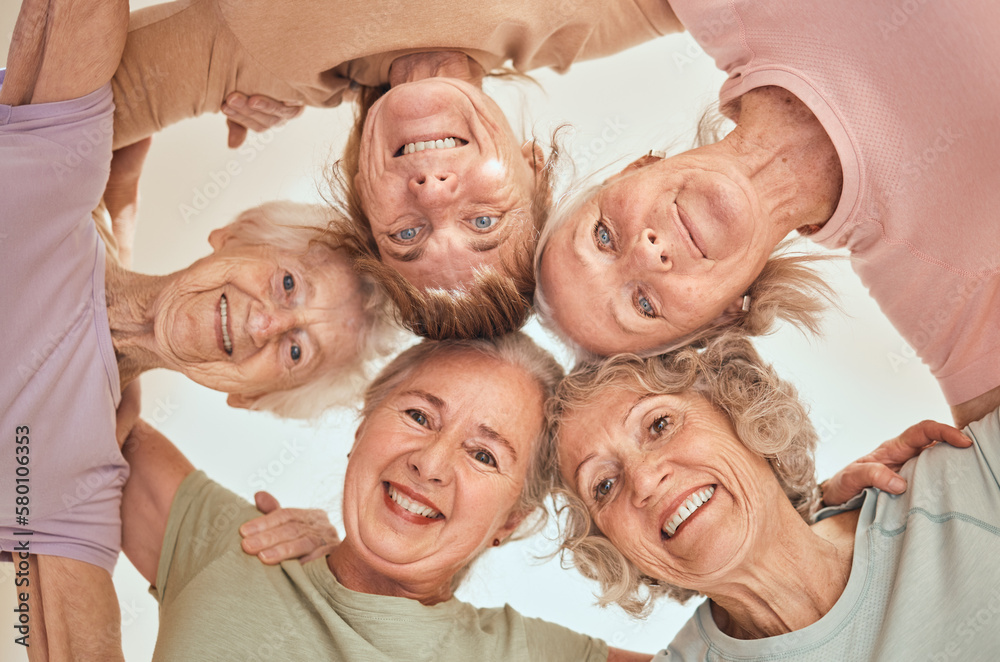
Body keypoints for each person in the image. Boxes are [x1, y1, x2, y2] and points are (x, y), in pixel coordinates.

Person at [0, 2, 389, 656]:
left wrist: (311, 589)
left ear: (250, 397)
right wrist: (239, 65)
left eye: (296, 351)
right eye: (288, 282)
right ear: (234, 235)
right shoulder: (62, 178)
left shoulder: (74, 480)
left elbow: (42, 630)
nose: (266, 322)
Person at [535, 0, 1000, 428]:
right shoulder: (945, 289)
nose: (645, 254)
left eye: (602, 237)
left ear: (634, 169)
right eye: (644, 306)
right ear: (723, 317)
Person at [107, 0, 686, 336]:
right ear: (533, 166)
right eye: (484, 223)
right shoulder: (576, 18)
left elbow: (62, 127)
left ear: (362, 191)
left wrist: (121, 226)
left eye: (407, 235)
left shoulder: (257, 65)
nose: (432, 193)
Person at [117, 335, 649, 661]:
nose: (430, 463)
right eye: (419, 416)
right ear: (363, 422)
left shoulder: (524, 656)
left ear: (511, 519)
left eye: (484, 455)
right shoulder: (238, 544)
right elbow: (85, 393)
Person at [552, 334, 1000, 659]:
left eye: (659, 424)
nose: (645, 481)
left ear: (738, 407)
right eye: (603, 486)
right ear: (611, 546)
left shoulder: (969, 477)